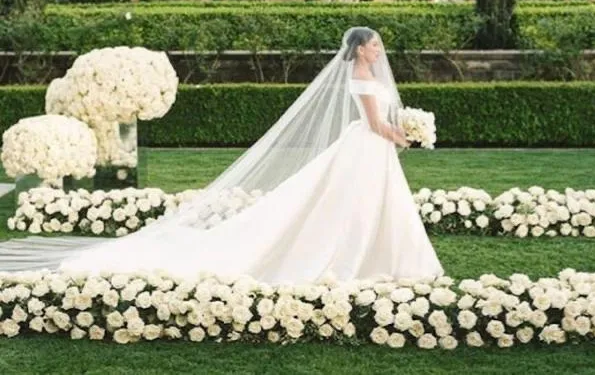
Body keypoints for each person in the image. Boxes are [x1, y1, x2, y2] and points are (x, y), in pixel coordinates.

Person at [0, 27, 444, 284]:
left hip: (370, 150)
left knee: (367, 206)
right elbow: (374, 123)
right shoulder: (362, 77)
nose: (378, 48)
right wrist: (404, 136)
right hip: (368, 146)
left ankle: (377, 257)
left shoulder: (367, 71)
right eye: (373, 44)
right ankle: (363, 259)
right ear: (360, 48)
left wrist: (399, 132)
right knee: (352, 206)